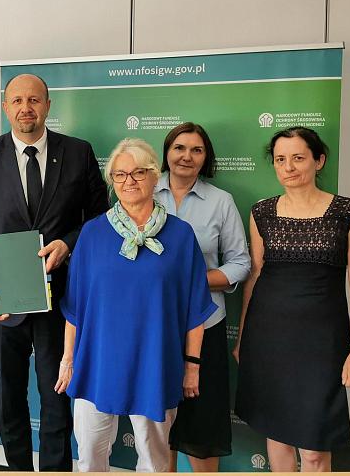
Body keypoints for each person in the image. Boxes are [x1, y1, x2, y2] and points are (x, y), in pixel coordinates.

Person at [0, 73, 108, 471]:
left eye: (34, 100)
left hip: (61, 300)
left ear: (47, 105)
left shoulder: (77, 152)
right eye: (17, 100)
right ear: (5, 107)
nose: (26, 108)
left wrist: (68, 243)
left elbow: (99, 218)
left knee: (56, 396)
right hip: (1, 298)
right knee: (10, 398)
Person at [55, 138, 217, 472]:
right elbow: (75, 308)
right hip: (97, 361)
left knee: (155, 461)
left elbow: (194, 310)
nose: (129, 181)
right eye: (120, 174)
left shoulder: (181, 235)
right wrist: (68, 360)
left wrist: (192, 366)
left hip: (155, 362)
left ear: (155, 176)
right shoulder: (92, 234)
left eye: (138, 172)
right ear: (112, 181)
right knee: (89, 457)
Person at [234, 126, 350, 472]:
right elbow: (255, 275)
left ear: (318, 161)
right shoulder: (262, 212)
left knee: (314, 451)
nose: (289, 167)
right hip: (268, 339)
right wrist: (243, 338)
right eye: (280, 159)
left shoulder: (346, 212)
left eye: (298, 158)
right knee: (277, 435)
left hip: (322, 343)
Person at [154, 123, 250, 471]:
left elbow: (241, 262)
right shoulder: (144, 192)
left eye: (196, 150)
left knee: (202, 423)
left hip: (206, 323)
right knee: (157, 421)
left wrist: (193, 282)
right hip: (155, 325)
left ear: (206, 157)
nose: (187, 156)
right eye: (179, 148)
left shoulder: (221, 201)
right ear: (166, 152)